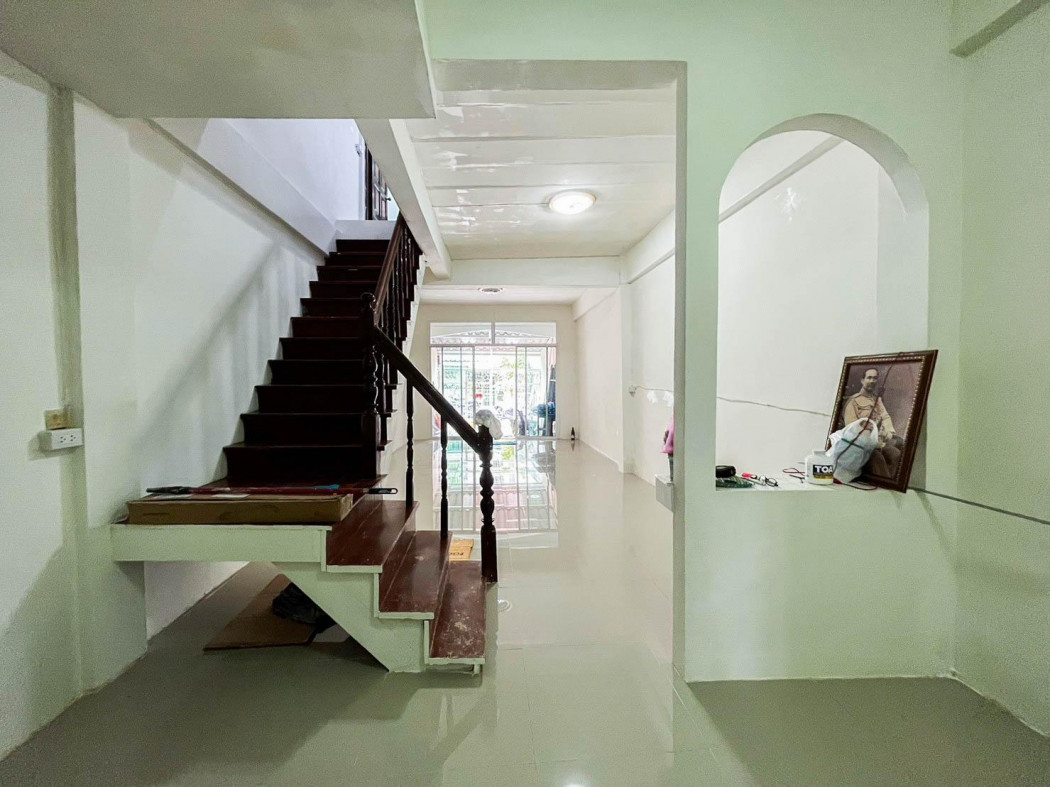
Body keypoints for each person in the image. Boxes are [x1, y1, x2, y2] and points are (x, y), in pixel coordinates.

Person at [840, 367, 903, 476]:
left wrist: (888, 433)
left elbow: (885, 416)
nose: (872, 381)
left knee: (896, 455)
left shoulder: (877, 400)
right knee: (878, 459)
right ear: (862, 380)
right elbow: (851, 428)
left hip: (879, 443)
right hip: (861, 445)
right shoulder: (853, 401)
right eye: (869, 378)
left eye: (875, 378)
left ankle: (891, 483)